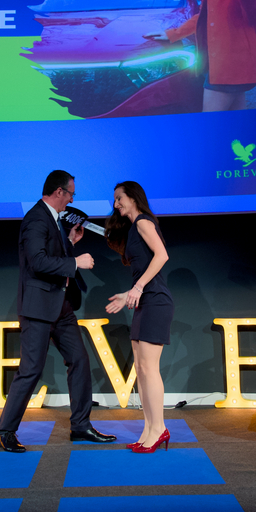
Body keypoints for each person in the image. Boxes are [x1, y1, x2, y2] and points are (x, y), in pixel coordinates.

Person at [0, 170, 116, 452]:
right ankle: (6, 431)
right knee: (31, 370)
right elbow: (37, 262)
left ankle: (81, 426)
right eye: (71, 194)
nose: (72, 200)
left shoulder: (54, 219)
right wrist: (76, 262)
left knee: (80, 360)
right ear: (59, 192)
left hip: (61, 306)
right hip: (38, 308)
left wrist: (70, 242)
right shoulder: (36, 219)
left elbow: (51, 253)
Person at [104, 181, 175, 453]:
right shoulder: (133, 228)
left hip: (156, 301)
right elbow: (143, 269)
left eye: (119, 198)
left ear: (133, 197)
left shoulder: (144, 221)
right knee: (142, 371)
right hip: (145, 301)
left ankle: (159, 429)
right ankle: (148, 429)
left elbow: (162, 255)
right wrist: (128, 294)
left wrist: (138, 287)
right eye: (114, 200)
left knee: (149, 368)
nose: (116, 204)